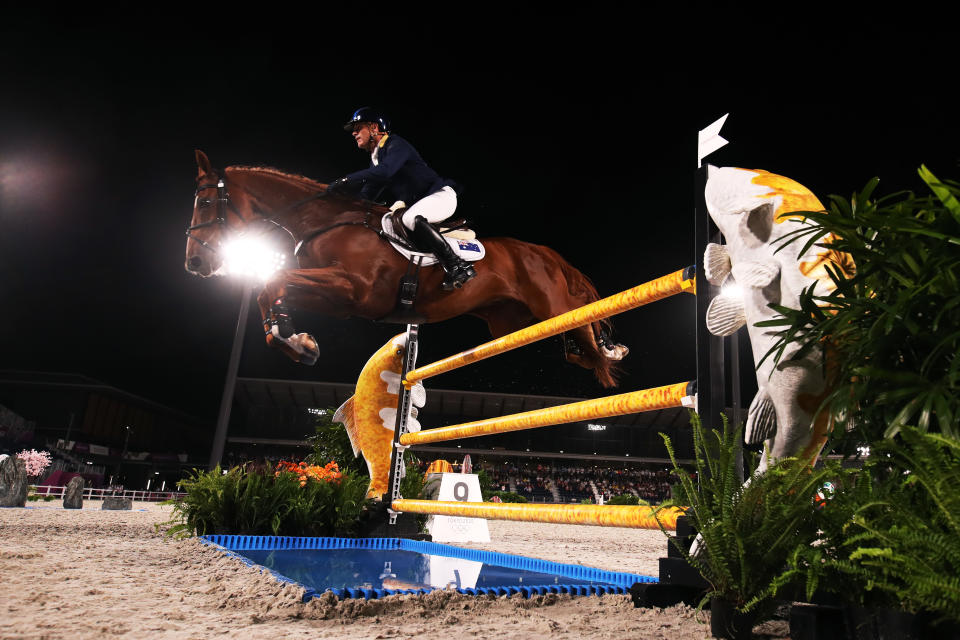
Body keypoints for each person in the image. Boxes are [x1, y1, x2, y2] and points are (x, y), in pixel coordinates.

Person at [326, 107, 476, 291]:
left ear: (374, 127)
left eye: (358, 127)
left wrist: (347, 179)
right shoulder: (377, 159)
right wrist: (339, 203)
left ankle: (458, 266)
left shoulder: (395, 144)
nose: (354, 133)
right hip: (424, 202)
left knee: (409, 218)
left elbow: (385, 172)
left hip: (441, 196)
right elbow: (367, 196)